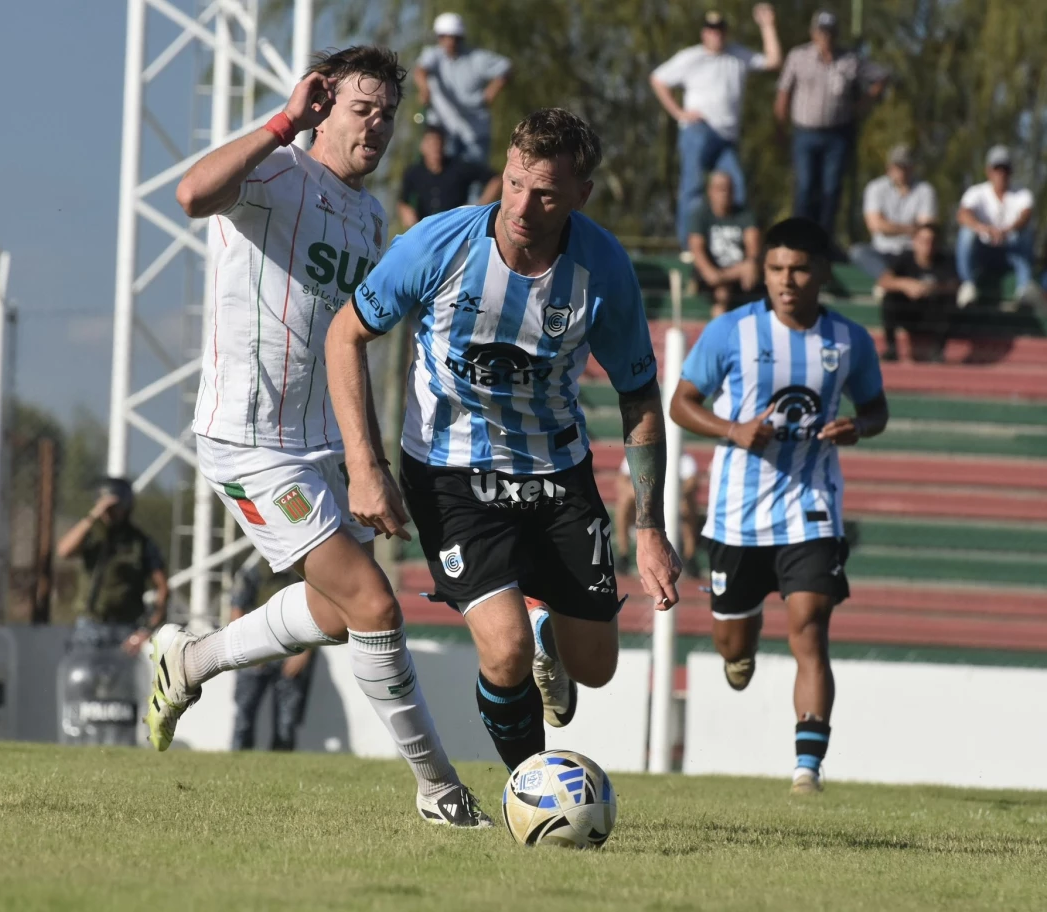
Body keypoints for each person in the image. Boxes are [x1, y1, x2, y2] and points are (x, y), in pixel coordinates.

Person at [153, 46, 489, 828]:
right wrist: (281, 122)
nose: (377, 125)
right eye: (361, 108)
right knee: (374, 602)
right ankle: (439, 790)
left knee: (340, 614)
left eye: (388, 114)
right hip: (247, 437)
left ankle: (190, 659)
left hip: (317, 444)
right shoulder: (276, 169)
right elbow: (191, 193)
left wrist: (363, 460)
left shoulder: (372, 218)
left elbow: (351, 348)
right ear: (323, 106)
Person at [325, 107, 683, 775]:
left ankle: (550, 627)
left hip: (558, 470)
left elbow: (639, 395)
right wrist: (364, 465)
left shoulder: (603, 270)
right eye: (515, 183)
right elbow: (345, 334)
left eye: (545, 192)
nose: (523, 204)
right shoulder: (437, 245)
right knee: (505, 649)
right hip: (449, 470)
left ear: (581, 195)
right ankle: (534, 787)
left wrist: (652, 525)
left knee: (596, 667)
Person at [670, 217, 889, 795]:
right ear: (763, 272)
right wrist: (731, 429)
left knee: (810, 628)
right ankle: (738, 647)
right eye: (774, 269)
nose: (785, 280)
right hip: (737, 514)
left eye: (797, 269)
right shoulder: (729, 332)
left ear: (820, 273)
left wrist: (859, 427)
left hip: (812, 507)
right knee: (733, 649)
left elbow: (877, 408)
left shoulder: (848, 340)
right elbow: (681, 404)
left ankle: (806, 770)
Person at [651, 6, 781, 246]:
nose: (716, 34)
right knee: (694, 187)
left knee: (736, 188)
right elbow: (658, 78)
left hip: (727, 136)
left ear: (725, 33)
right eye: (711, 30)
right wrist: (678, 112)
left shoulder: (738, 55)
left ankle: (735, 248)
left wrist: (767, 25)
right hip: (699, 131)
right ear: (704, 33)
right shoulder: (691, 57)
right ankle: (689, 246)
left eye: (720, 30)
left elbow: (773, 61)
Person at [775, 10, 887, 238]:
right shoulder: (798, 57)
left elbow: (881, 76)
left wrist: (864, 103)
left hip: (837, 134)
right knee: (805, 187)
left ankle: (823, 240)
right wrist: (780, 126)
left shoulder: (850, 60)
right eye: (821, 32)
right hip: (804, 132)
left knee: (831, 189)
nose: (826, 37)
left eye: (830, 33)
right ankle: (799, 237)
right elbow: (783, 92)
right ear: (813, 33)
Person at [56, 477, 168, 655]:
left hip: (126, 628)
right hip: (90, 625)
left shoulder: (139, 542)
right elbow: (64, 551)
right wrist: (94, 515)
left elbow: (162, 587)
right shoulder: (92, 535)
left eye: (115, 506)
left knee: (121, 681)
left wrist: (148, 628)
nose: (110, 512)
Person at [227, 561, 314, 751]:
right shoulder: (252, 572)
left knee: (286, 725)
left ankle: (281, 774)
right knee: (244, 719)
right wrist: (251, 651)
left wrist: (304, 651)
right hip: (256, 650)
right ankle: (237, 768)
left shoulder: (305, 574)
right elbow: (236, 613)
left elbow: (316, 615)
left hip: (293, 650)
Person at [413, 12, 511, 163]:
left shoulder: (477, 58)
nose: (449, 41)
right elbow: (420, 70)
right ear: (439, 38)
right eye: (445, 37)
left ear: (460, 38)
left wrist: (490, 94)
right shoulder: (433, 55)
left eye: (454, 37)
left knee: (475, 181)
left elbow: (505, 67)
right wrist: (424, 88)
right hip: (445, 132)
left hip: (475, 133)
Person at [955, 145, 1043, 309]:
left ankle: (1024, 288)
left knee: (1026, 233)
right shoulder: (976, 192)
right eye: (997, 168)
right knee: (966, 233)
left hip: (1011, 254)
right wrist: (983, 228)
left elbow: (1026, 215)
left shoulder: (1022, 194)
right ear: (988, 170)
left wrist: (1007, 231)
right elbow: (962, 214)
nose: (1001, 173)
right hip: (983, 252)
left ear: (1011, 171)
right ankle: (968, 284)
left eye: (1005, 168)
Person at [850, 144, 938, 281]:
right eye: (898, 167)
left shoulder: (925, 190)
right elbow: (875, 225)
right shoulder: (875, 188)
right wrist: (911, 229)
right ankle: (889, 281)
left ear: (912, 167)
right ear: (889, 168)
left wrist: (889, 227)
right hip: (882, 251)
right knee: (858, 252)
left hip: (911, 253)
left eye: (905, 166)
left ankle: (893, 283)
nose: (901, 171)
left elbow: (925, 231)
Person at [877, 222, 959, 362]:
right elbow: (884, 280)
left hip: (932, 316)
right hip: (908, 313)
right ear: (914, 241)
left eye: (932, 240)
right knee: (889, 298)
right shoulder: (905, 258)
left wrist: (931, 288)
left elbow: (954, 285)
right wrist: (906, 285)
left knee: (948, 302)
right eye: (923, 240)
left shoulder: (945, 260)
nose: (928, 244)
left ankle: (937, 352)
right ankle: (891, 349)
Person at [614, 452, 702, 578]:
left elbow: (692, 483)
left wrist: (672, 496)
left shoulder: (684, 458)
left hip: (674, 504)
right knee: (623, 502)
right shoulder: (637, 454)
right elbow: (621, 481)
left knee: (688, 505)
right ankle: (623, 555)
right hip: (644, 505)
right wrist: (643, 496)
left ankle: (690, 556)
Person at [398, 125, 502, 229]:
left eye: (437, 143)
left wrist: (481, 206)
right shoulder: (414, 173)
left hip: (457, 227)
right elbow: (403, 201)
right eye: (430, 144)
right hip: (427, 230)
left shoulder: (458, 167)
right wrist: (408, 215)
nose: (434, 148)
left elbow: (495, 179)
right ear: (422, 146)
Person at [689, 170, 762, 316]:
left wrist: (749, 263)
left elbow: (753, 245)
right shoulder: (700, 215)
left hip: (741, 280)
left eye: (729, 188)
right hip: (713, 277)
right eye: (720, 188)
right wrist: (720, 275)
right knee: (721, 293)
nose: (725, 192)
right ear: (710, 191)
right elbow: (697, 250)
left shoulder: (745, 214)